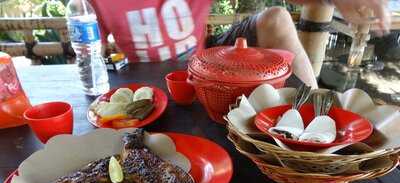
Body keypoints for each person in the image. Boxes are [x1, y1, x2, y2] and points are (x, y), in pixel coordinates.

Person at [89, 0, 391, 89]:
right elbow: (88, 59)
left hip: (207, 56)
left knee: (276, 17)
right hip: (148, 80)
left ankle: (312, 113)